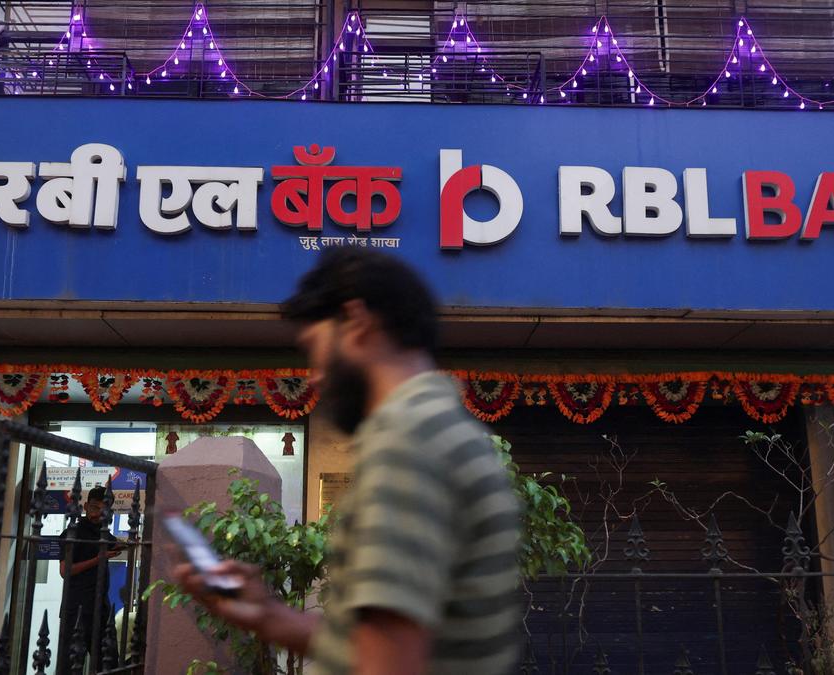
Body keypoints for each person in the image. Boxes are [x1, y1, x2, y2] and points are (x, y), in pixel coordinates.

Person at [173, 248, 523, 674]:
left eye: (314, 348)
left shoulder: (407, 441)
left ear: (357, 321)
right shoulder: (449, 431)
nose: (314, 375)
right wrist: (270, 615)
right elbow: (388, 644)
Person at [58, 484, 124, 674]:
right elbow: (65, 571)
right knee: (71, 666)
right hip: (76, 608)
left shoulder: (103, 533)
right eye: (95, 507)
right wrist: (98, 558)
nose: (98, 514)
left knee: (109, 663)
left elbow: (119, 544)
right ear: (86, 506)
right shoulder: (73, 532)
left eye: (104, 510)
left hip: (100, 607)